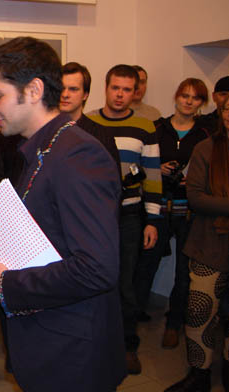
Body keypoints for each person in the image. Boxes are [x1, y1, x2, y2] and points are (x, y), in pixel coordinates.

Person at [0, 37, 126, 391]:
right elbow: (32, 237)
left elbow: (97, 269)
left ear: (33, 90)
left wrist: (9, 285)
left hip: (72, 352)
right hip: (49, 339)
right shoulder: (43, 148)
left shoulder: (77, 154)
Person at [87, 64, 161, 374]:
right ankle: (95, 342)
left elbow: (153, 177)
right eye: (115, 88)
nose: (120, 94)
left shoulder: (145, 127)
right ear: (106, 88)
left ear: (136, 92)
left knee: (125, 283)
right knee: (92, 280)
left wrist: (153, 220)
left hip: (130, 215)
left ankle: (128, 345)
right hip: (93, 216)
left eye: (127, 89)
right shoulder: (88, 123)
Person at [164, 87, 229, 392]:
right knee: (198, 310)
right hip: (209, 242)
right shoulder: (206, 149)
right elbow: (196, 198)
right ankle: (199, 374)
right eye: (228, 107)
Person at [133, 78, 210, 351]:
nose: (188, 101)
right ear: (176, 97)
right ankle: (130, 321)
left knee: (184, 272)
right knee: (146, 265)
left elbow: (211, 169)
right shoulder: (157, 128)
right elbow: (140, 164)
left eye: (195, 97)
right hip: (158, 208)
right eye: (185, 95)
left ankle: (174, 324)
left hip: (188, 211)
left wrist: (196, 179)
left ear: (201, 103)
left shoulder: (204, 134)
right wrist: (159, 168)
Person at [60, 62, 121, 171]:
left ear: (85, 95)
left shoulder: (102, 137)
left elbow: (113, 180)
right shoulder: (43, 132)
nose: (65, 94)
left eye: (73, 89)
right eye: (61, 88)